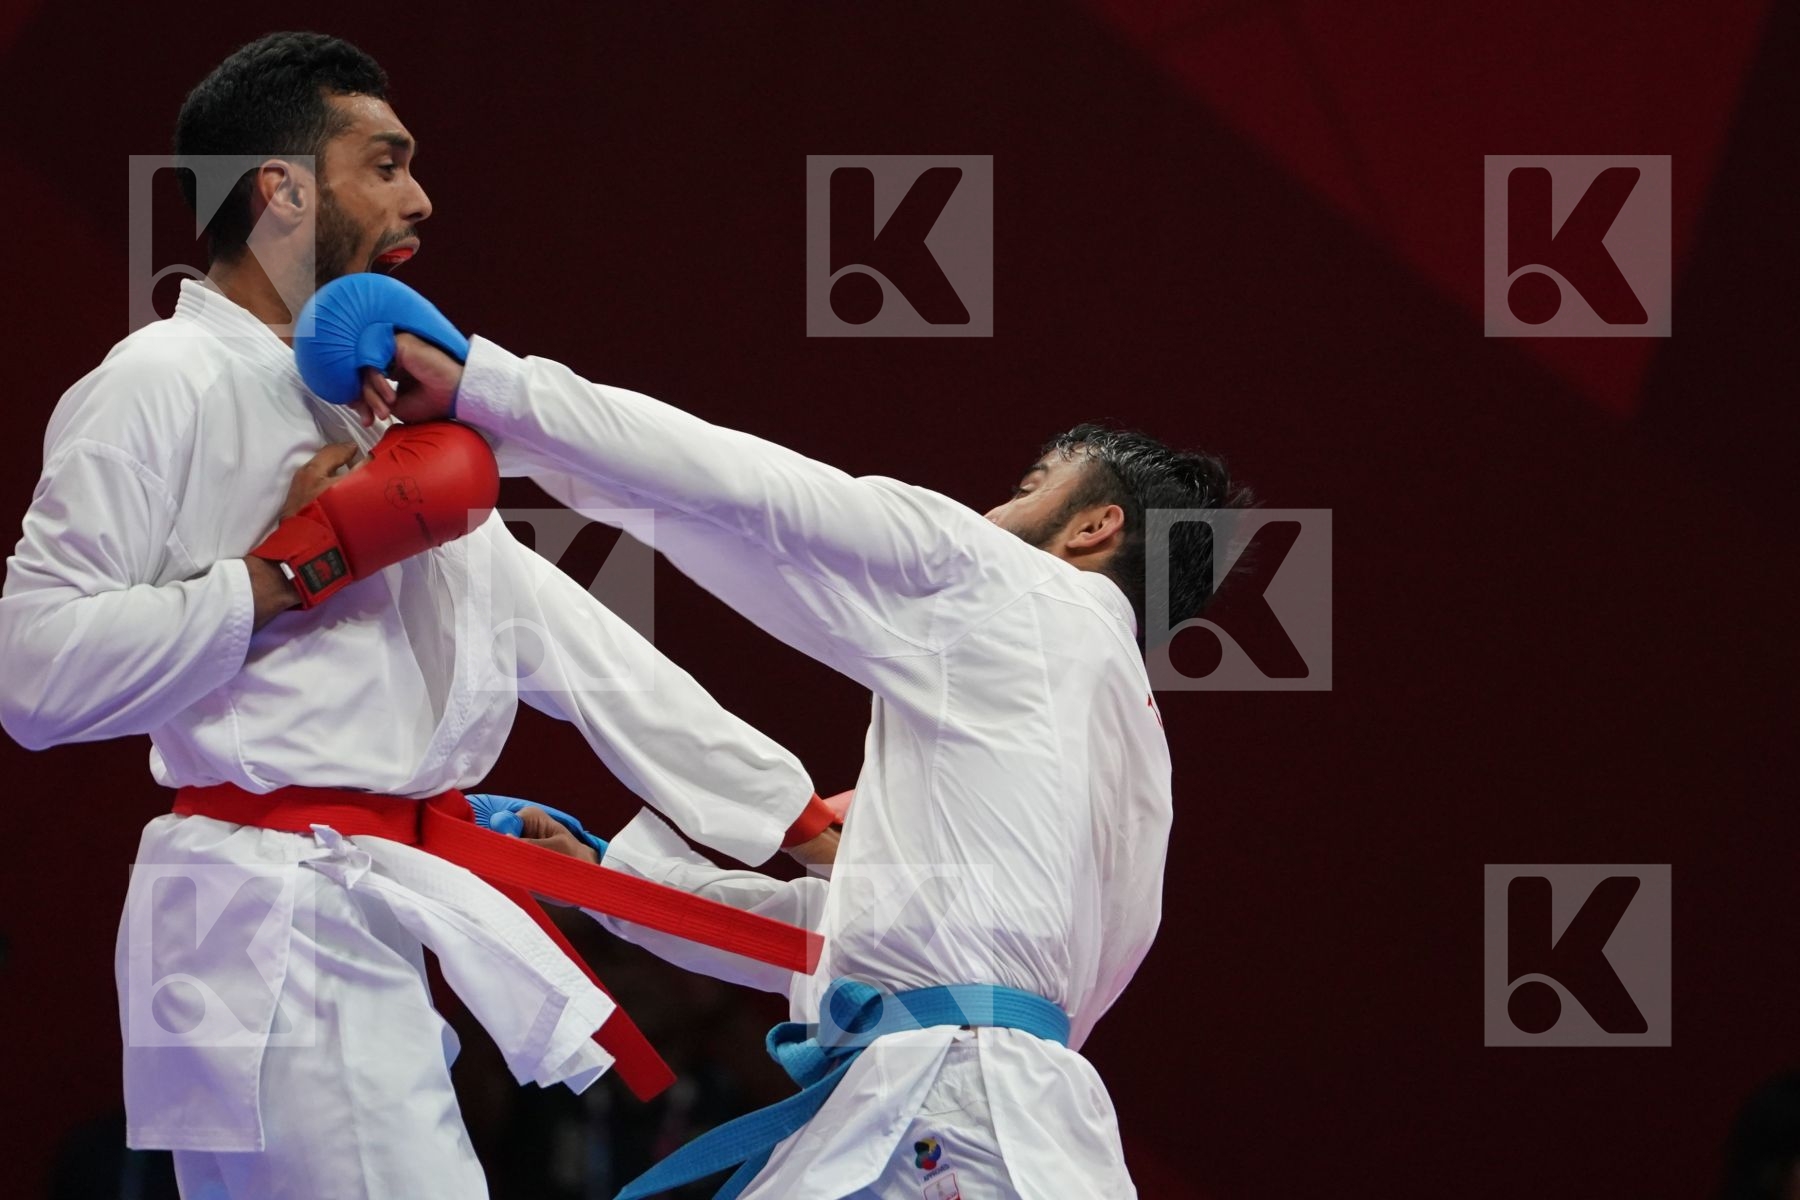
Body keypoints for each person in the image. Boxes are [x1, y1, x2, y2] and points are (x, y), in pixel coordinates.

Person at [0, 33, 832, 1200]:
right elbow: (33, 681)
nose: (420, 199)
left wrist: (788, 816)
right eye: (384, 164)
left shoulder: (367, 417)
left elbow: (576, 646)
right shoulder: (160, 381)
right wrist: (288, 574)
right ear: (281, 190)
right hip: (268, 921)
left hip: (328, 916)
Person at [344, 292, 1253, 1197]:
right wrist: (609, 874)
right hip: (1004, 1122)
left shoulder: (1013, 588)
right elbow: (853, 943)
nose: (993, 507)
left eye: (1027, 488)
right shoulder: (1133, 760)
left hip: (949, 1119)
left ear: (1096, 526)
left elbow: (756, 492)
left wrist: (489, 393)